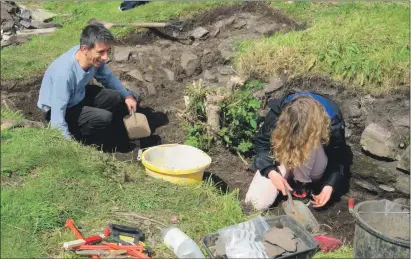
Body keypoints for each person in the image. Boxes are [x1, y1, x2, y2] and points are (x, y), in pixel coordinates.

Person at [37, 23, 138, 151]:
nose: (106, 57)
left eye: (108, 51)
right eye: (101, 52)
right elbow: (57, 114)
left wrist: (127, 95)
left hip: (78, 94)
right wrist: (68, 146)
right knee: (104, 117)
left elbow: (108, 77)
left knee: (116, 97)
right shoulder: (64, 73)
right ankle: (83, 140)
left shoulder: (92, 58)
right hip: (58, 109)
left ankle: (116, 135)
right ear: (85, 49)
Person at [245, 91, 347, 211]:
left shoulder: (333, 122)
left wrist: (329, 185)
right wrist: (271, 172)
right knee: (256, 203)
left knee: (309, 144)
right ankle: (287, 176)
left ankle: (302, 184)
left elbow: (339, 158)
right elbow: (261, 144)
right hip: (283, 158)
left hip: (312, 165)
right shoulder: (278, 112)